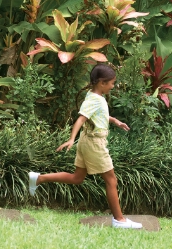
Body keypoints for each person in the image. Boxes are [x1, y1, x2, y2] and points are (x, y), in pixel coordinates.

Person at [28, 63, 141, 228]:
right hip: (94, 143)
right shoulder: (95, 99)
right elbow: (81, 118)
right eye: (111, 82)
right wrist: (70, 139)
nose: (113, 85)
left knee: (77, 178)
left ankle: (38, 178)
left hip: (88, 141)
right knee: (111, 180)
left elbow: (97, 116)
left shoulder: (93, 95)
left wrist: (114, 120)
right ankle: (119, 220)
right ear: (102, 82)